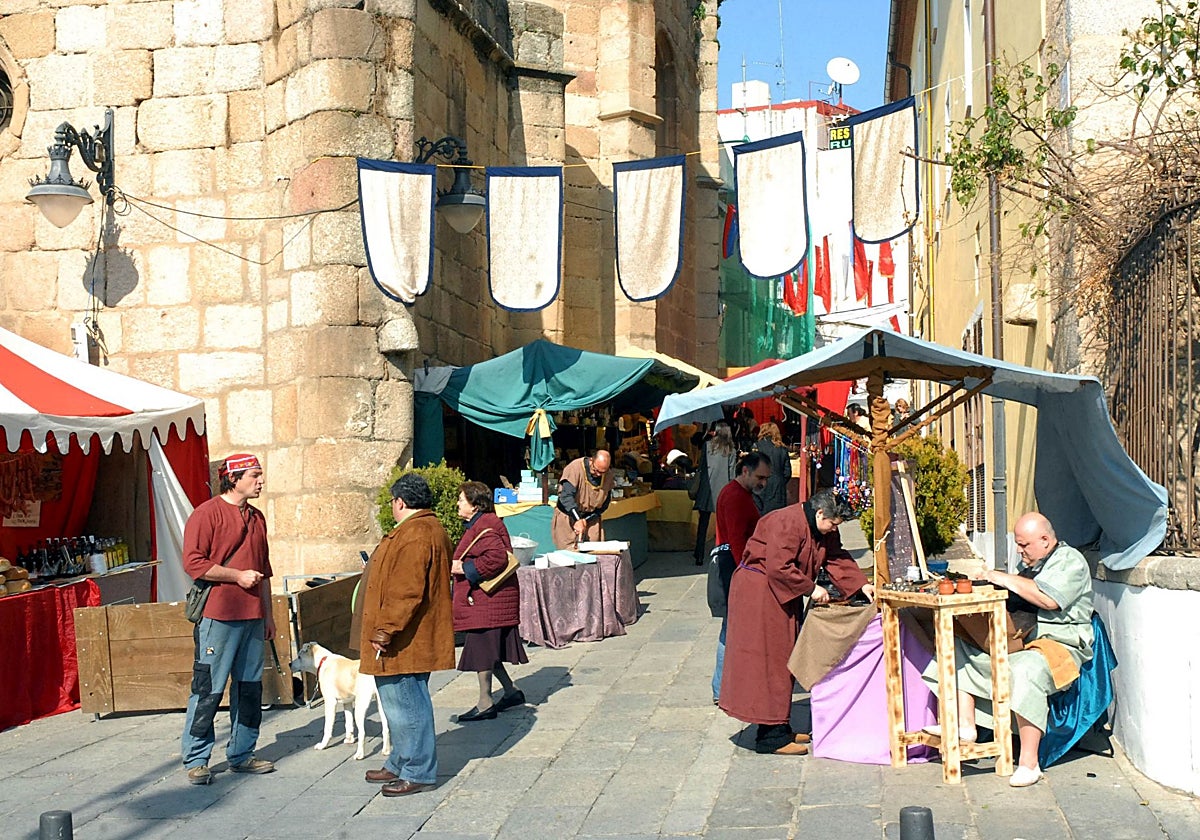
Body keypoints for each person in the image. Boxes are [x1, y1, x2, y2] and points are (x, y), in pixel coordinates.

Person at [922, 512, 1094, 788]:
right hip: (1026, 639)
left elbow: (1048, 598)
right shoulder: (1033, 561)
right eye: (1018, 544)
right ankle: (965, 726)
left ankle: (1029, 763)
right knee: (959, 643)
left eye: (1024, 545)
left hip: (1062, 644)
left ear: (1046, 541)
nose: (1019, 550)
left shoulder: (1070, 561)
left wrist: (1001, 577)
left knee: (1025, 668)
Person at [719, 488, 875, 755]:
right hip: (759, 593)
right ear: (820, 512)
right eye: (832, 523)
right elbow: (779, 567)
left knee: (782, 659)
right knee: (768, 662)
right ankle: (770, 737)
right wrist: (811, 589)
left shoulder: (823, 525)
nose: (832, 529)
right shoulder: (786, 521)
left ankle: (779, 726)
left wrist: (861, 585)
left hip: (778, 592)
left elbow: (835, 556)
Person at [180, 453, 276, 785]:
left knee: (249, 689)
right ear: (233, 478)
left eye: (261, 475)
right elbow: (193, 563)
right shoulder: (205, 515)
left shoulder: (258, 518)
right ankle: (196, 758)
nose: (261, 481)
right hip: (218, 616)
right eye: (254, 475)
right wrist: (236, 576)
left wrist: (269, 616)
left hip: (253, 617)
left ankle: (242, 754)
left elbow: (265, 573)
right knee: (208, 689)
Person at [361, 473, 454, 797]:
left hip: (405, 639)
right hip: (410, 637)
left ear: (400, 502)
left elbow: (406, 591)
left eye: (392, 501)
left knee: (407, 705)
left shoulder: (415, 534)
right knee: (398, 702)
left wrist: (385, 630)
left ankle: (418, 771)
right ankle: (400, 761)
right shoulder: (425, 528)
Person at [450, 481, 527, 722]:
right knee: (489, 650)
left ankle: (485, 702)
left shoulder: (485, 525)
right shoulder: (484, 522)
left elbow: (496, 558)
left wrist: (464, 567)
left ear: (474, 505)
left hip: (487, 601)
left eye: (461, 500)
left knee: (483, 650)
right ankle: (511, 692)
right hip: (491, 600)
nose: (458, 504)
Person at [711, 451, 771, 704]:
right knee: (731, 630)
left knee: (732, 629)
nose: (763, 483)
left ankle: (724, 686)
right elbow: (737, 542)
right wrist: (746, 576)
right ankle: (721, 688)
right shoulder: (735, 496)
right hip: (732, 570)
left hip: (733, 568)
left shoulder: (739, 494)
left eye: (766, 478)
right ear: (745, 471)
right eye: (760, 477)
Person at [693, 421, 737, 565]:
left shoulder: (707, 446)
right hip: (723, 489)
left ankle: (698, 554)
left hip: (707, 488)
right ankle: (721, 553)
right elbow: (732, 474)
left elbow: (701, 467)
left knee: (703, 524)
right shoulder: (731, 449)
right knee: (722, 525)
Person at [551, 450, 614, 549]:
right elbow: (566, 497)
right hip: (568, 516)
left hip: (590, 519)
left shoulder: (608, 475)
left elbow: (604, 504)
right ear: (591, 460)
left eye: (602, 472)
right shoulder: (575, 468)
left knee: (594, 554)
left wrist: (586, 520)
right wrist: (578, 519)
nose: (598, 474)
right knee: (569, 555)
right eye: (596, 470)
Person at [753, 422, 792, 514]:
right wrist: (780, 481)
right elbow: (787, 472)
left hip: (761, 486)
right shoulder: (782, 449)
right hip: (778, 487)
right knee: (777, 517)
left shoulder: (757, 446)